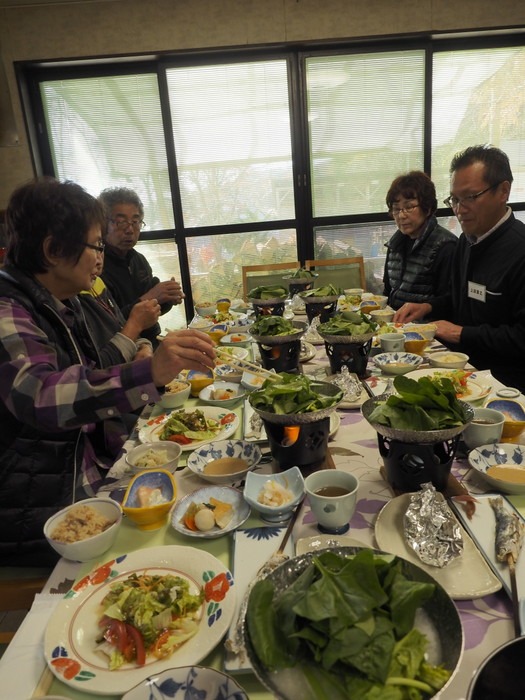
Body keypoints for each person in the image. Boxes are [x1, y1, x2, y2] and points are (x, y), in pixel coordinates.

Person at [0, 177, 215, 566]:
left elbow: (94, 370)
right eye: (96, 244)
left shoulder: (62, 301)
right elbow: (43, 398)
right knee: (192, 540)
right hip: (49, 506)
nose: (100, 256)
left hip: (91, 465)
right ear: (52, 250)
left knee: (208, 484)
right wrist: (149, 372)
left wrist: (146, 360)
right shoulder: (7, 311)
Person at [394, 145, 525, 390]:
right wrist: (428, 306)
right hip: (461, 371)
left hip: (506, 385)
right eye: (455, 199)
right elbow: (458, 299)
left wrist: (461, 334)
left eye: (471, 197)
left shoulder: (519, 250)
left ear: (503, 191)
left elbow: (521, 338)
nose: (459, 208)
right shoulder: (467, 240)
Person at [98, 187, 184, 347]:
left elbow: (151, 312)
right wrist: (152, 296)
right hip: (125, 349)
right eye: (121, 222)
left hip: (152, 341)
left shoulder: (138, 259)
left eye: (135, 221)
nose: (130, 229)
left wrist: (168, 297)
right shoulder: (97, 265)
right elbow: (109, 324)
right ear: (103, 224)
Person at [383, 170, 457, 311]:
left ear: (427, 208)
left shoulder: (446, 246)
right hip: (396, 326)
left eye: (409, 207)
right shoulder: (394, 244)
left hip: (427, 328)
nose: (401, 215)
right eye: (396, 209)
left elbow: (450, 301)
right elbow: (387, 293)